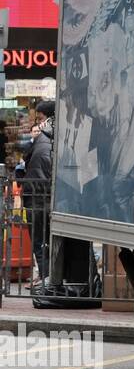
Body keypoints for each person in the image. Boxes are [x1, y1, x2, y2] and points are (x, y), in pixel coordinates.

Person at [25, 99, 54, 283]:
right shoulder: (54, 138)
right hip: (50, 198)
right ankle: (51, 277)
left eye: (40, 117)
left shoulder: (42, 138)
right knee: (49, 241)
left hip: (36, 197)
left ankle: (45, 278)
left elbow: (29, 165)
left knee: (39, 241)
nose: (38, 122)